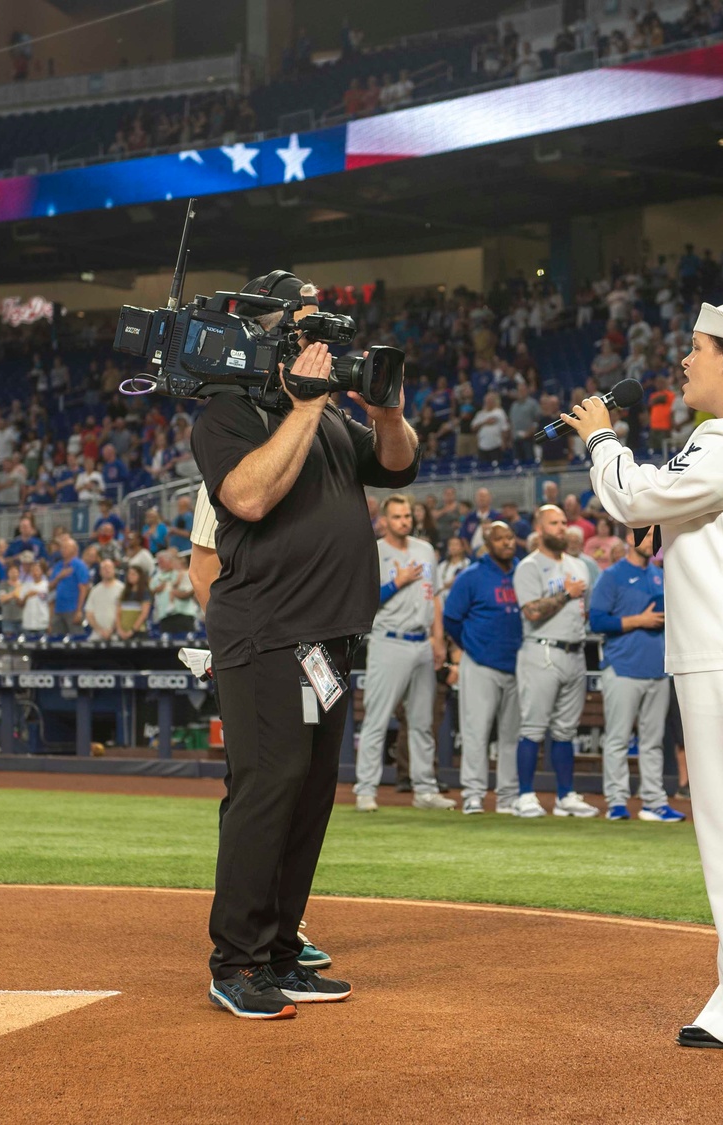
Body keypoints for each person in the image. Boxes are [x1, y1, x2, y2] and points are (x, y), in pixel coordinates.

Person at [566, 299, 723, 1051]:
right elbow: (688, 513)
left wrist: (602, 438)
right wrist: (667, 523)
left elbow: (633, 494)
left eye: (697, 347)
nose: (684, 360)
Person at [190, 271, 417, 1020]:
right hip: (265, 632)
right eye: (307, 324)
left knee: (310, 794)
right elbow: (249, 496)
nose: (322, 339)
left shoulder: (322, 420)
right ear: (271, 330)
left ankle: (282, 950)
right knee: (268, 788)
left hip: (327, 638)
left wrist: (386, 411)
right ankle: (239, 960)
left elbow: (395, 464)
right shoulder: (227, 410)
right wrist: (306, 407)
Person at [354, 494, 453, 812]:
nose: (404, 521)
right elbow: (364, 599)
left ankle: (425, 790)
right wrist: (397, 581)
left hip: (421, 642)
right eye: (397, 516)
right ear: (384, 520)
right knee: (377, 719)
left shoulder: (424, 549)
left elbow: (434, 596)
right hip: (389, 641)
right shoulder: (374, 551)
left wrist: (438, 639)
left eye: (407, 516)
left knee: (423, 721)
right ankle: (366, 790)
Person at [510, 504, 598, 818]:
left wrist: (573, 597)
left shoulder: (580, 565)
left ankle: (565, 796)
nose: (562, 528)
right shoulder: (529, 567)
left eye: (563, 522)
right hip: (541, 650)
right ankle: (524, 796)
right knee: (533, 727)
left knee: (565, 731)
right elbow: (531, 612)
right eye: (554, 523)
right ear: (540, 528)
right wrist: (566, 593)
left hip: (575, 651)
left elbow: (585, 610)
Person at [589, 535, 679, 822]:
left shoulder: (660, 575)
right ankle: (616, 801)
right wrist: (638, 621)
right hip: (622, 667)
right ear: (631, 537)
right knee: (617, 739)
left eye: (656, 534)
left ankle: (653, 801)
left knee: (653, 741)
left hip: (656, 668)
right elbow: (597, 621)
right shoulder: (611, 576)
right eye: (649, 533)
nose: (654, 539)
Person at [442, 521, 525, 815]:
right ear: (487, 544)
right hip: (480, 664)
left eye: (510, 537)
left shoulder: (525, 571)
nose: (507, 543)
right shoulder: (472, 576)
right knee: (476, 732)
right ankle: (474, 794)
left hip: (517, 664)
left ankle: (507, 796)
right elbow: (451, 617)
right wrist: (470, 646)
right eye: (500, 539)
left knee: (511, 735)